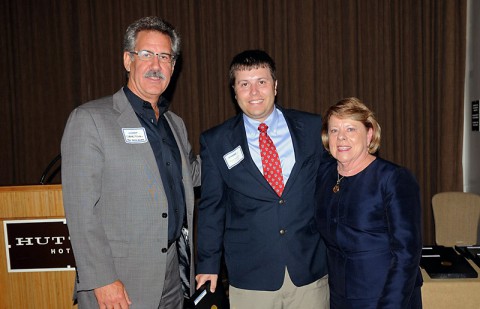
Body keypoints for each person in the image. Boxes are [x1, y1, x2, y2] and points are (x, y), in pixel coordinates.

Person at [61, 16, 200, 308]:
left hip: (173, 279)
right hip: (118, 283)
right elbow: (80, 211)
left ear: (173, 67)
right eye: (146, 54)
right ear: (128, 60)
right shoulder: (91, 120)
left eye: (164, 56)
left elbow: (194, 174)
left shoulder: (175, 124)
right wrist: (102, 279)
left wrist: (245, 145)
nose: (156, 65)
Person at [195, 49, 329, 308]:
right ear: (234, 91)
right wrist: (208, 264)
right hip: (251, 277)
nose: (254, 92)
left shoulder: (312, 127)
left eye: (261, 82)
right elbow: (212, 208)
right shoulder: (216, 142)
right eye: (244, 84)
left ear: (275, 86)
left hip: (309, 271)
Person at [315, 97, 423, 308]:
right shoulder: (325, 174)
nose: (341, 138)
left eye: (350, 129)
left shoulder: (393, 178)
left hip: (384, 296)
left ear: (370, 134)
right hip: (338, 297)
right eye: (334, 130)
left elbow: (406, 255)